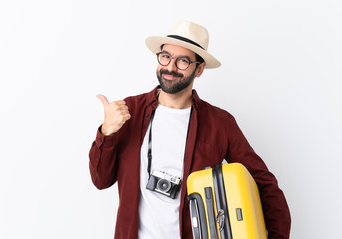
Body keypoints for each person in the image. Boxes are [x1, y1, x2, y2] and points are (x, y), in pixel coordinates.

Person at [89, 21, 291, 239]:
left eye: (183, 61)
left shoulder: (219, 123)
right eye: (166, 56)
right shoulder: (130, 111)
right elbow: (101, 180)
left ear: (200, 69)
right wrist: (106, 132)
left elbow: (264, 184)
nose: (170, 67)